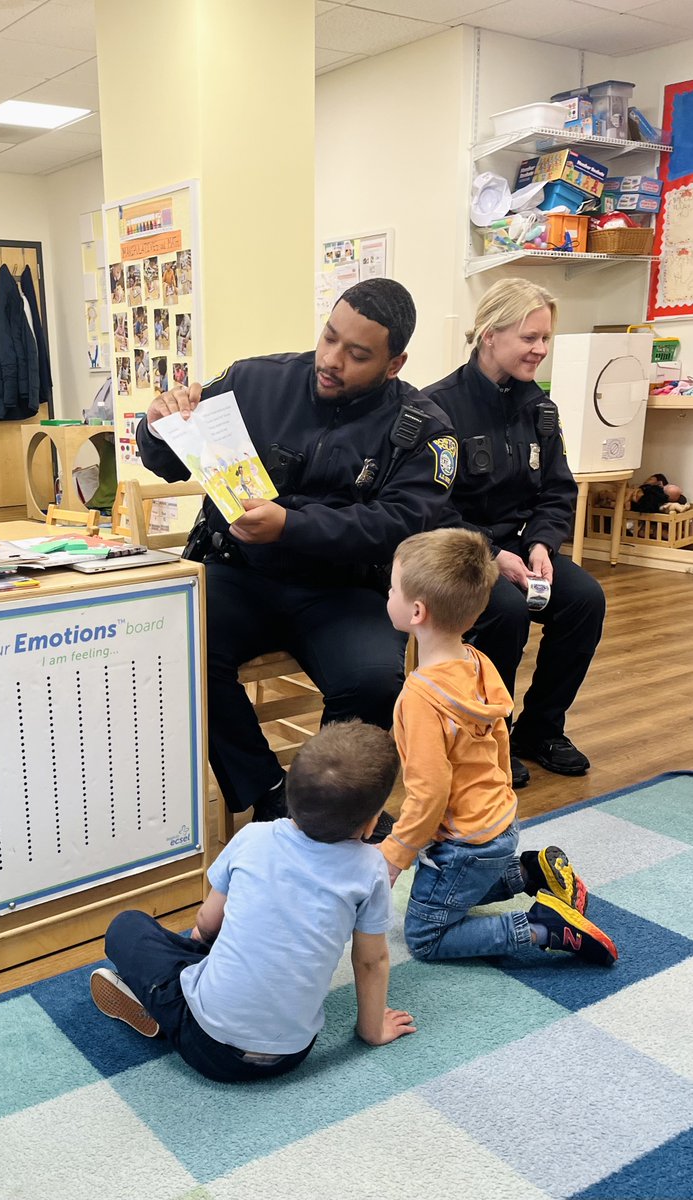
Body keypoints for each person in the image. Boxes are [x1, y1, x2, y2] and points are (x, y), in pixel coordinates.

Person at [136, 277, 459, 822]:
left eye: (357, 354)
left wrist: (291, 526)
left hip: (345, 590)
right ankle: (270, 795)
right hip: (238, 571)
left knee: (372, 682)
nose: (332, 360)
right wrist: (159, 422)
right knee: (176, 642)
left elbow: (402, 524)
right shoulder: (253, 381)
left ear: (394, 364)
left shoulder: (425, 429)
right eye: (329, 337)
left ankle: (331, 805)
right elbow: (168, 461)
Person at [90, 721, 417, 1083]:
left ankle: (160, 1009)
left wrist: (199, 947)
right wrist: (373, 1031)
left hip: (207, 1045)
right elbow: (372, 961)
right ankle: (184, 995)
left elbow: (208, 922)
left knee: (128, 927)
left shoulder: (254, 837)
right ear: (373, 824)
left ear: (289, 795)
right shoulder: (370, 868)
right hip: (291, 1054)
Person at [380, 527, 618, 965]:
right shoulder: (478, 660)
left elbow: (428, 793)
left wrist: (395, 855)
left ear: (416, 611)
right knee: (444, 881)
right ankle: (530, 871)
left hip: (465, 843)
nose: (387, 594)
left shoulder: (419, 697)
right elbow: (500, 740)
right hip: (499, 823)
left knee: (425, 935)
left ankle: (545, 927)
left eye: (391, 588)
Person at [423, 277, 605, 789]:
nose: (540, 350)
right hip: (455, 553)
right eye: (530, 338)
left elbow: (557, 491)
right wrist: (493, 552)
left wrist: (543, 544)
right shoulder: (437, 408)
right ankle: (488, 735)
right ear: (489, 335)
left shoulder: (540, 410)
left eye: (545, 338)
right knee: (502, 611)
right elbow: (431, 507)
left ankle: (541, 728)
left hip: (521, 551)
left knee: (584, 599)